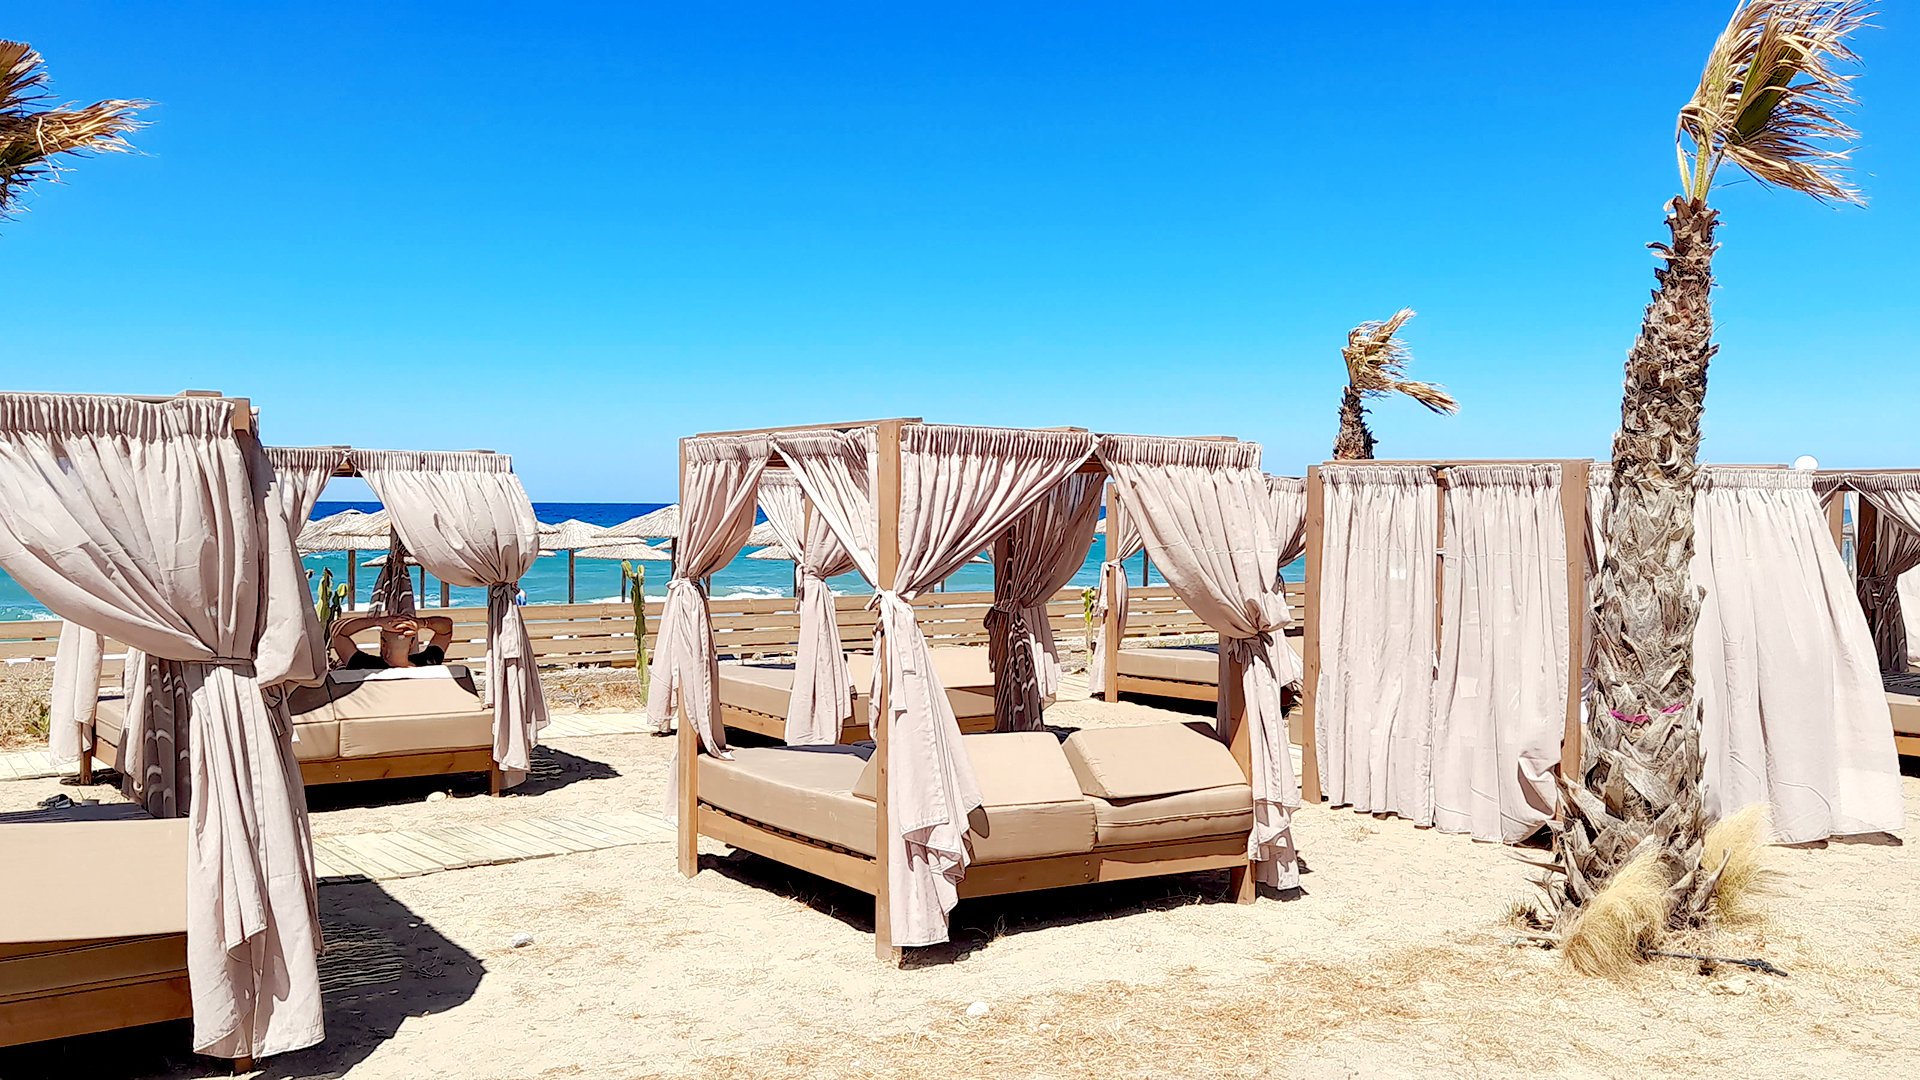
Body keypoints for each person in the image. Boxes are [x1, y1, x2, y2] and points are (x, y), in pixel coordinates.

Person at [329, 613, 455, 670]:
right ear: (411, 644)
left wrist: (377, 621)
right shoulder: (428, 663)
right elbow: (446, 628)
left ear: (383, 644)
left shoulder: (364, 665)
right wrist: (422, 623)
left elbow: (336, 630)